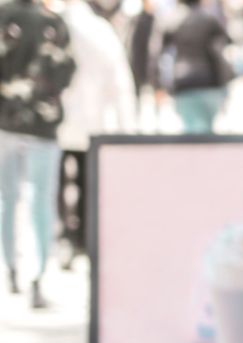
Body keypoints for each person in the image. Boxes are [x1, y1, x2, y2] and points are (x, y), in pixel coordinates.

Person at [0, 0, 77, 308]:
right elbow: (67, 71)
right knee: (40, 201)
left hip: (6, 122)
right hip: (42, 126)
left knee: (9, 199)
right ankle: (37, 275)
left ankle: (13, 269)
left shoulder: (5, 18)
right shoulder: (53, 24)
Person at [57, 0, 138, 266]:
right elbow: (119, 81)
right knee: (86, 180)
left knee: (59, 180)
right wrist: (128, 128)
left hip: (58, 118)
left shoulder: (59, 23)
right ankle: (82, 236)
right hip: (91, 119)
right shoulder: (98, 29)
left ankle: (66, 234)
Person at [159, 0, 231, 133]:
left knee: (192, 132)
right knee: (205, 132)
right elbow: (220, 52)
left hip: (184, 84)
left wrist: (160, 85)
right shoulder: (210, 20)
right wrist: (224, 84)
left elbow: (160, 55)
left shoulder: (172, 22)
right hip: (208, 83)